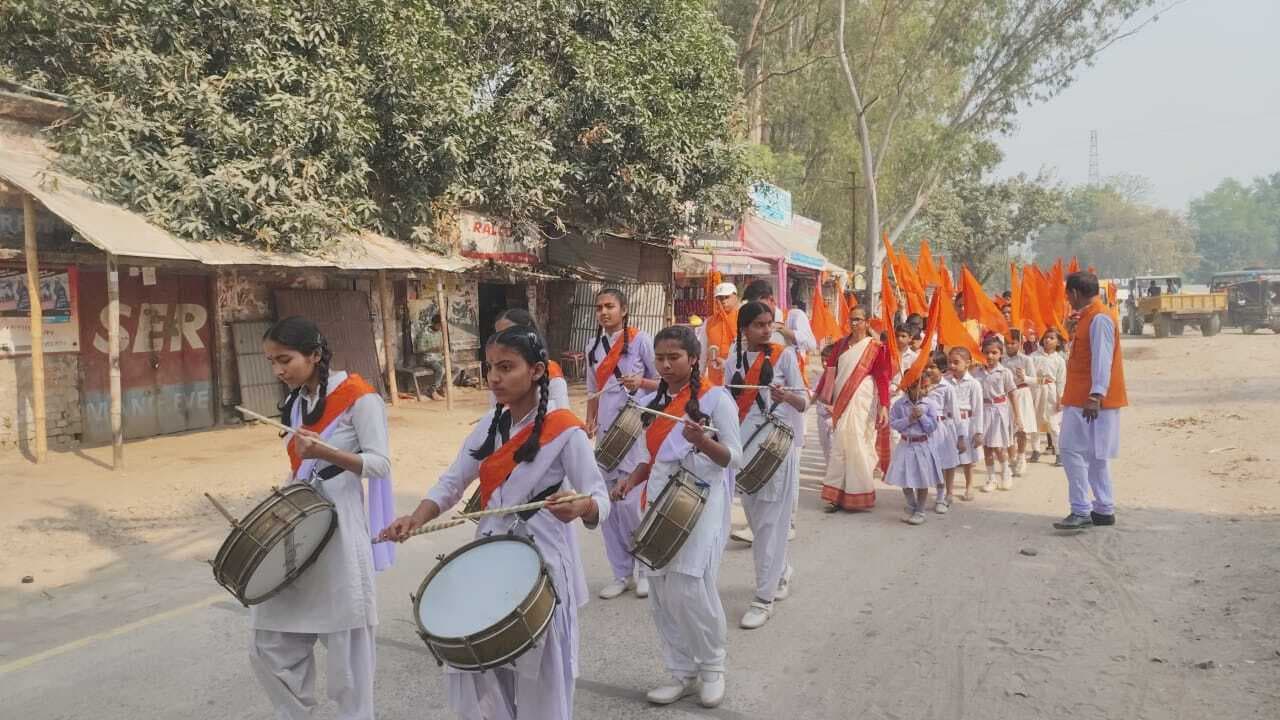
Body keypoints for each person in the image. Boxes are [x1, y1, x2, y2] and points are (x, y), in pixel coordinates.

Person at [379, 327, 610, 719]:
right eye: (491, 368)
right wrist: (415, 518)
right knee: (481, 672)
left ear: (536, 371)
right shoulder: (490, 424)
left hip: (542, 568)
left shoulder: (565, 430)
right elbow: (452, 482)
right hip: (490, 557)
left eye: (506, 367)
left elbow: (600, 497)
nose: (494, 378)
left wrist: (583, 506)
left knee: (542, 687)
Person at [251, 317, 394, 720]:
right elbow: (302, 467)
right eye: (271, 362)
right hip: (299, 522)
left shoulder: (360, 398)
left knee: (348, 653)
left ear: (314, 355)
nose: (278, 371)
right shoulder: (297, 402)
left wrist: (325, 452)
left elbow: (380, 464)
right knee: (269, 640)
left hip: (340, 529)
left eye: (285, 360)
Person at [613, 325, 742, 709]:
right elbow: (648, 457)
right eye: (660, 358)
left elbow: (734, 457)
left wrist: (702, 441)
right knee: (661, 591)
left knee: (689, 586)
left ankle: (712, 667)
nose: (666, 365)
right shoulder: (652, 402)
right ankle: (681, 671)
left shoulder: (716, 399)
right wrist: (630, 481)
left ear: (694, 359)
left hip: (699, 500)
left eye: (674, 357)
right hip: (658, 499)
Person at [724, 302, 806, 629]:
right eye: (759, 324)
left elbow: (804, 401)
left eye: (769, 323)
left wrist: (786, 397)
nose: (767, 329)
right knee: (759, 524)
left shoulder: (784, 356)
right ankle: (781, 570)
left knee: (771, 524)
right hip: (744, 449)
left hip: (775, 448)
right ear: (744, 328)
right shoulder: (733, 360)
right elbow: (726, 403)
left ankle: (763, 598)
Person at [583, 288, 659, 600]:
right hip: (605, 433)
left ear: (623, 310)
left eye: (610, 306)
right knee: (609, 507)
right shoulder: (592, 346)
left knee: (630, 504)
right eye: (599, 307)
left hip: (634, 431)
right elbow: (592, 390)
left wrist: (641, 382)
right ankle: (621, 573)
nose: (604, 312)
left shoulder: (641, 341)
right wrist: (589, 419)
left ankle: (645, 569)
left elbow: (664, 383)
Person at [1054, 272, 1127, 530]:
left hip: (1088, 399)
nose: (1067, 299)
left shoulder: (1099, 319)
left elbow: (1102, 359)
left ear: (1075, 293)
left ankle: (1081, 509)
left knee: (1070, 450)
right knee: (1096, 455)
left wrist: (1096, 395)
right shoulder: (1090, 317)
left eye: (1067, 295)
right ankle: (1103, 509)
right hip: (1088, 397)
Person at [819, 306, 891, 512]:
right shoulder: (841, 345)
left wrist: (884, 405)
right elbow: (829, 373)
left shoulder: (875, 347)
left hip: (863, 399)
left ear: (867, 322)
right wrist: (820, 396)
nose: (854, 323)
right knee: (840, 444)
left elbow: (882, 378)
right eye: (851, 319)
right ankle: (836, 496)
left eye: (858, 319)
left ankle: (858, 494)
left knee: (858, 442)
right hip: (842, 399)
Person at [885, 375, 943, 525]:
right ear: (910, 387)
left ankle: (920, 511)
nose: (926, 390)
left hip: (921, 445)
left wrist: (922, 416)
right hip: (905, 444)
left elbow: (932, 427)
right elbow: (894, 423)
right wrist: (909, 419)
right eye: (922, 387)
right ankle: (911, 505)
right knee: (904, 478)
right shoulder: (899, 404)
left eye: (927, 387)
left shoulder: (929, 404)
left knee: (922, 480)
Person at [493, 308, 569, 409]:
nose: (501, 342)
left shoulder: (552, 373)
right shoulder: (496, 377)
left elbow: (561, 412)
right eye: (497, 336)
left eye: (510, 335)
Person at [971, 336, 1019, 492]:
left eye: (994, 353)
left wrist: (1017, 416)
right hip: (983, 411)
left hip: (999, 411)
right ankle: (991, 478)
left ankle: (1006, 473)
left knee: (999, 447)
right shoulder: (977, 372)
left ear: (1000, 354)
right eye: (987, 352)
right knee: (987, 448)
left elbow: (1012, 393)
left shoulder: (1004, 372)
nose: (990, 356)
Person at [945, 347, 985, 501]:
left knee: (967, 458)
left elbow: (978, 409)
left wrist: (978, 432)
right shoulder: (945, 381)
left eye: (956, 362)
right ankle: (949, 490)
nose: (952, 365)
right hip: (949, 423)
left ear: (967, 363)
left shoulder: (974, 384)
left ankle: (969, 486)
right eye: (950, 362)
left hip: (966, 423)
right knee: (949, 458)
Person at [924, 353, 961, 513]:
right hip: (925, 428)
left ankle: (947, 493)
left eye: (932, 367)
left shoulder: (947, 388)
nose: (928, 370)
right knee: (931, 462)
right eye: (926, 367)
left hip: (943, 428)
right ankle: (927, 495)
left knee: (947, 461)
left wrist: (961, 436)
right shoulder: (922, 386)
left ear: (942, 369)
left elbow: (955, 412)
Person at [1002, 330, 1038, 477]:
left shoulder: (1026, 360)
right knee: (1008, 430)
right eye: (1007, 343)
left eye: (1013, 343)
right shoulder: (1002, 360)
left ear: (1019, 343)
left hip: (1022, 393)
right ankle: (1012, 459)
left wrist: (1025, 377)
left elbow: (1035, 380)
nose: (1010, 346)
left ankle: (1022, 457)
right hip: (1006, 396)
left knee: (1021, 429)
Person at [1030, 329, 1067, 465]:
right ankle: (1035, 450)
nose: (1048, 340)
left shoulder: (1059, 360)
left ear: (1058, 343)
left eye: (1052, 338)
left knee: (1053, 424)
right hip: (1036, 391)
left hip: (1051, 392)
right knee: (1035, 422)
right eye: (1046, 337)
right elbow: (1029, 376)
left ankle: (1059, 453)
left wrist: (1060, 399)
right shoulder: (1033, 356)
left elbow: (1061, 381)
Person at [697, 283, 740, 386]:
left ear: (735, 297)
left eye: (727, 297)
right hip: (715, 381)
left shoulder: (743, 320)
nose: (723, 301)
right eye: (720, 298)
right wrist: (699, 376)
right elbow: (702, 353)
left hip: (737, 379)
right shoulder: (709, 322)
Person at [413, 314, 449, 399]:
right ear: (433, 323)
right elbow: (419, 349)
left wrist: (443, 351)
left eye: (441, 325)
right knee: (440, 369)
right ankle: (432, 390)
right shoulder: (424, 333)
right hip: (426, 359)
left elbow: (441, 347)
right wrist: (432, 349)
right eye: (439, 325)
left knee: (455, 368)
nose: (440, 327)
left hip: (438, 357)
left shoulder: (440, 332)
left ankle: (442, 386)